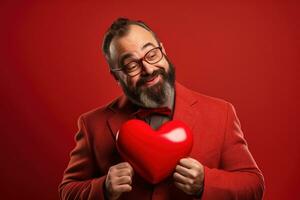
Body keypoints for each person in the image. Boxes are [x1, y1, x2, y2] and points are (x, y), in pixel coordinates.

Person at [58, 18, 265, 200]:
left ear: (163, 51)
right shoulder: (92, 124)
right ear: (116, 76)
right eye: (131, 65)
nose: (148, 69)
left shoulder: (221, 113)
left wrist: (206, 183)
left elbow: (253, 185)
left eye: (152, 54)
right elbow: (68, 190)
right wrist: (103, 188)